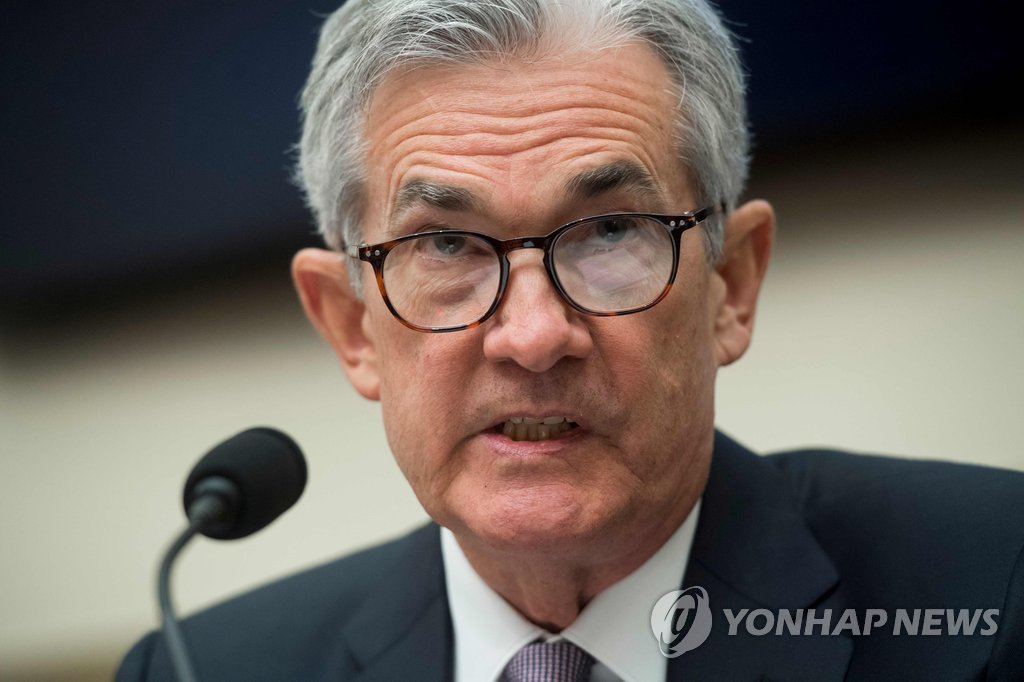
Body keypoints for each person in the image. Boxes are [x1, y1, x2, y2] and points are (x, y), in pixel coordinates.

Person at [117, 0, 1024, 680]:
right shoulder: (203, 668)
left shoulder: (996, 593)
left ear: (732, 285)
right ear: (351, 325)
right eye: (446, 245)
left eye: (610, 233)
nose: (534, 335)